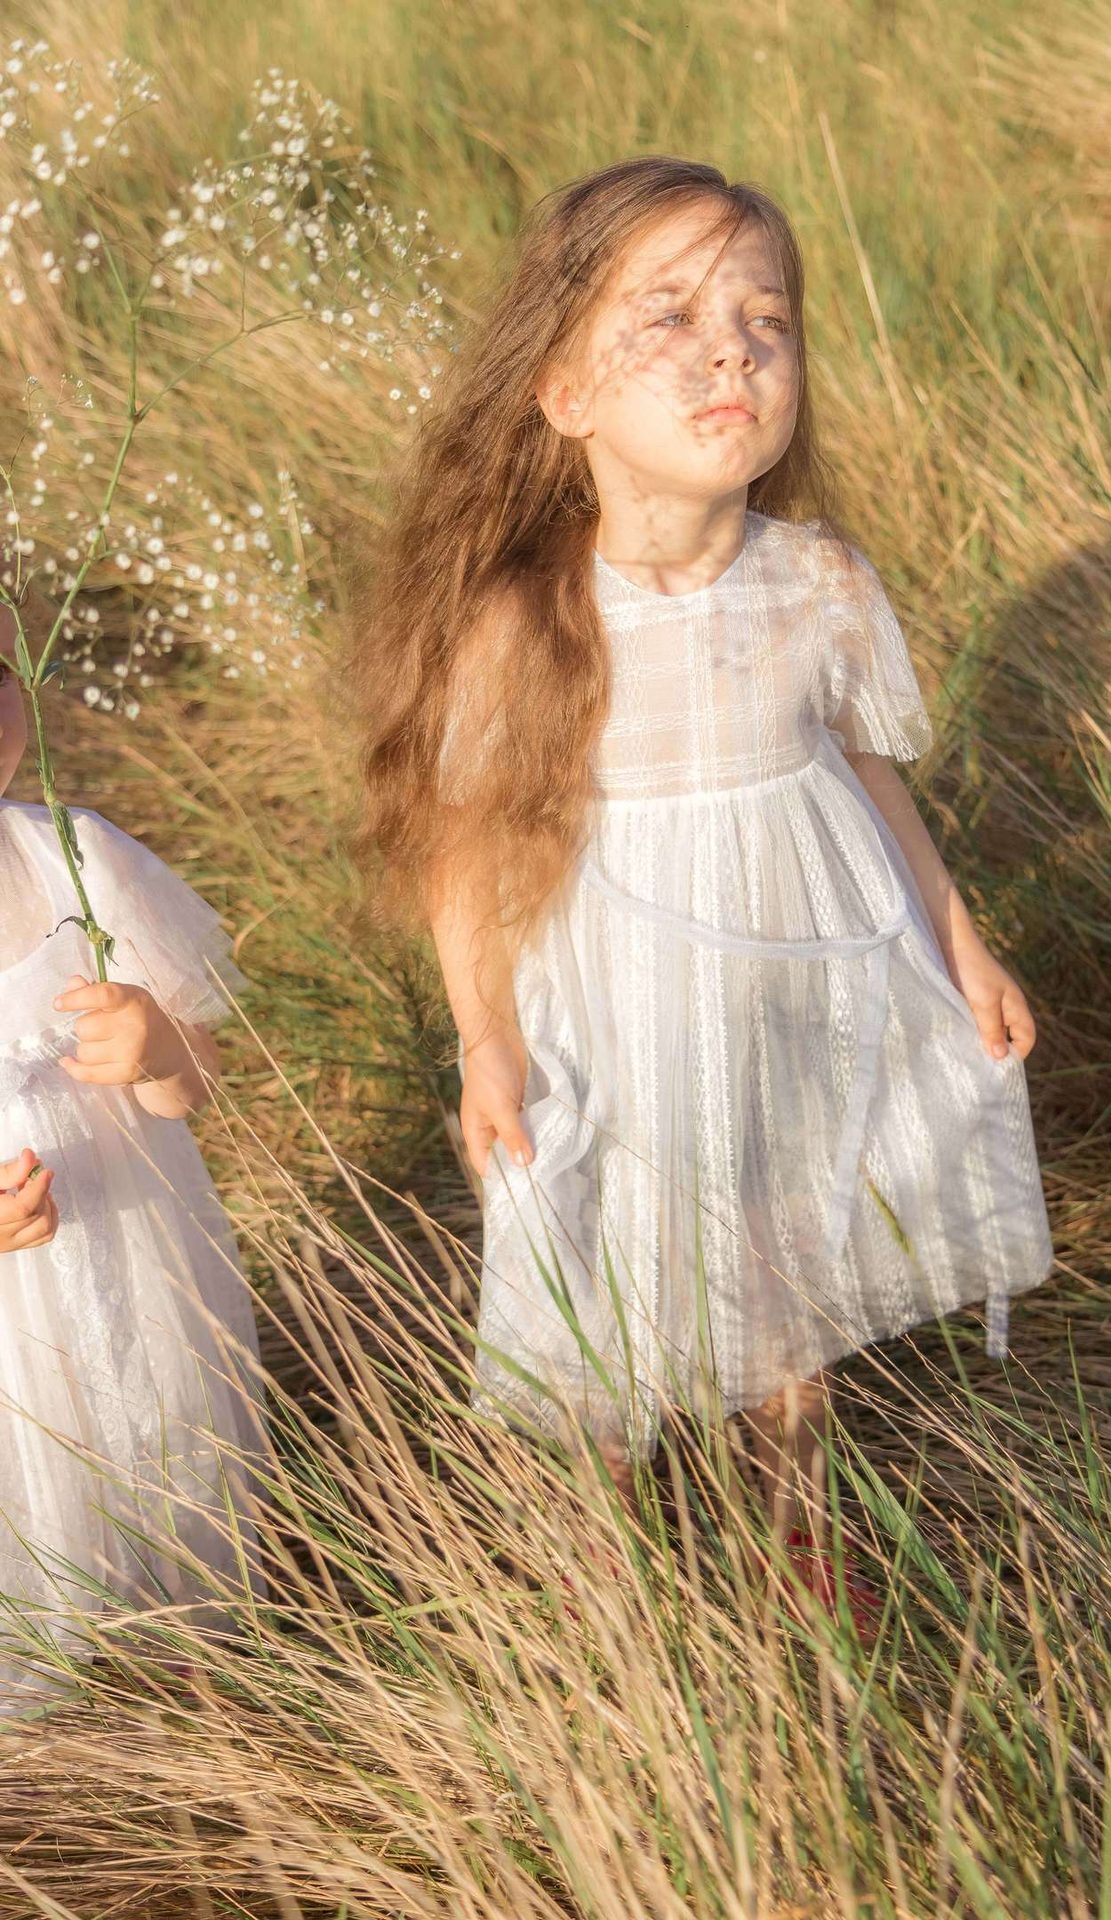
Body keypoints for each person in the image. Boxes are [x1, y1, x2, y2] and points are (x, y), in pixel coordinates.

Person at [350, 155, 1055, 1624]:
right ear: (563, 392)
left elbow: (871, 779)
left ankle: (795, 1518)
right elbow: (467, 846)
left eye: (765, 316)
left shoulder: (819, 585)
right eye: (666, 315)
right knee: (614, 1224)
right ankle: (610, 1521)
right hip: (608, 988)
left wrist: (961, 943)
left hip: (795, 969)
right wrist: (486, 1034)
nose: (731, 346)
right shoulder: (526, 623)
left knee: (781, 1234)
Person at [0, 610, 268, 1716]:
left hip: (132, 1285)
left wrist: (158, 1045)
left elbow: (193, 1082)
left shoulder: (74, 858)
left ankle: (177, 1680)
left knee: (154, 1461)